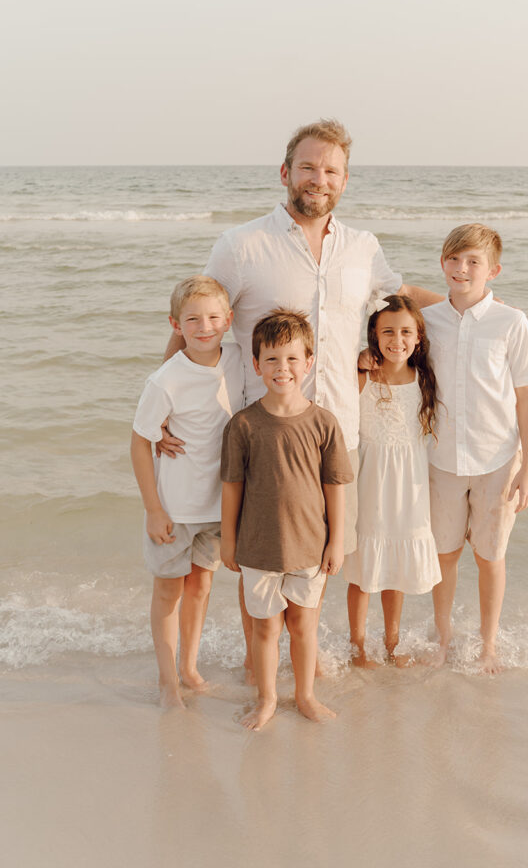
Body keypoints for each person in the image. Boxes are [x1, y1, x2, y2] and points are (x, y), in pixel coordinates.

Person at [160, 119, 441, 679]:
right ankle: (257, 666)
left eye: (331, 170)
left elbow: (402, 296)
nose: (320, 179)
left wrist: (476, 307)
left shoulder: (363, 247)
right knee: (261, 555)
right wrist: (164, 405)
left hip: (339, 430)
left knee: (325, 555)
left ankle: (305, 668)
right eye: (309, 167)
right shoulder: (241, 245)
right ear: (286, 172)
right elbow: (197, 321)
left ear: (344, 180)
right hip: (259, 431)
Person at [220, 310, 353, 730]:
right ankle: (267, 699)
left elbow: (335, 485)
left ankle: (305, 695)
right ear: (256, 365)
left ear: (308, 361)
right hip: (258, 546)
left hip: (310, 545)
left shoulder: (323, 422)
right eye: (272, 359)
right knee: (265, 630)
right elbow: (232, 487)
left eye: (293, 359)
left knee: (303, 625)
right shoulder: (243, 424)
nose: (283, 369)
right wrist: (228, 541)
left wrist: (337, 541)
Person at [423, 224, 528, 674]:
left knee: (490, 556)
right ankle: (443, 637)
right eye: (454, 259)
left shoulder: (511, 321)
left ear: (492, 271)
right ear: (442, 263)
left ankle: (488, 643)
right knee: (445, 555)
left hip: (497, 460)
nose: (462, 268)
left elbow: (527, 398)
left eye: (473, 261)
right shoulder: (428, 321)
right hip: (442, 458)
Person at [130, 276, 244, 708]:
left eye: (214, 317)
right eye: (193, 319)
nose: (204, 326)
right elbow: (140, 441)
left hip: (218, 506)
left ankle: (190, 667)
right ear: (175, 324)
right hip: (175, 509)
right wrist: (153, 509)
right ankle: (167, 681)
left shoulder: (237, 360)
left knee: (200, 587)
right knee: (169, 591)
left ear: (229, 320)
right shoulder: (166, 379)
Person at [344, 295, 442, 667]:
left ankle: (391, 642)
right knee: (363, 571)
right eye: (387, 331)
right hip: (370, 482)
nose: (396, 340)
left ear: (418, 337)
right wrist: (357, 361)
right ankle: (357, 646)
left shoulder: (424, 378)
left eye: (405, 331)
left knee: (395, 570)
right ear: (373, 335)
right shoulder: (364, 375)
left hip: (409, 487)